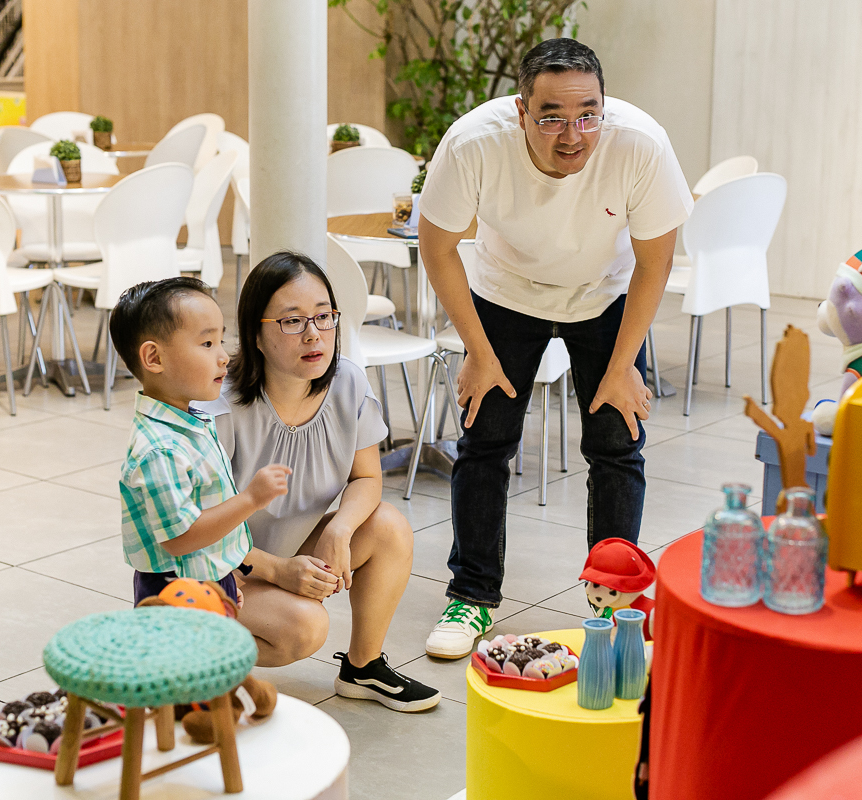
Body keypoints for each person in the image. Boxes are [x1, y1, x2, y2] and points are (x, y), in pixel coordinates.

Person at [417, 38, 694, 658]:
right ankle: (471, 595)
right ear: (521, 110)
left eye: (588, 114)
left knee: (616, 441)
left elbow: (656, 260)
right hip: (505, 290)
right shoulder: (473, 144)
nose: (573, 135)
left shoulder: (639, 143)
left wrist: (623, 366)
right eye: (551, 117)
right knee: (485, 441)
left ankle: (618, 599)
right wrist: (478, 350)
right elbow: (437, 249)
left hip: (605, 291)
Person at [196, 251, 440, 713]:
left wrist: (339, 529)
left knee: (387, 526)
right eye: (292, 321)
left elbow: (367, 476)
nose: (314, 334)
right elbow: (199, 528)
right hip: (217, 568)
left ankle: (363, 668)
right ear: (256, 334)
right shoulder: (221, 405)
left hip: (286, 550)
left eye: (324, 317)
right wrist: (274, 570)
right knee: (305, 627)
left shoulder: (346, 380)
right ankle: (196, 662)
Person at [110, 277, 291, 608]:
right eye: (207, 344)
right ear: (154, 358)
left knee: (213, 657)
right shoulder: (161, 449)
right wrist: (251, 498)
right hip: (176, 587)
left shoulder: (188, 420)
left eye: (221, 341)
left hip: (205, 575)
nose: (223, 357)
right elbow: (181, 538)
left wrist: (222, 575)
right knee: (186, 660)